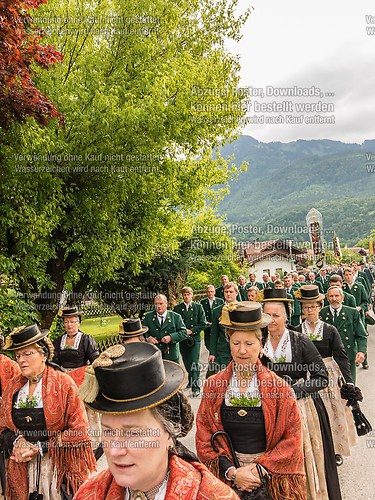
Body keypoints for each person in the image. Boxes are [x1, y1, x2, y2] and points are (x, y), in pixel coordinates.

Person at [75, 342, 238, 499]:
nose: (114, 450)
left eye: (132, 433)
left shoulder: (213, 496)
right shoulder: (88, 493)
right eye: (108, 431)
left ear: (169, 433)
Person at [196, 302, 306, 499]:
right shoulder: (213, 385)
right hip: (227, 479)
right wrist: (232, 472)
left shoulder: (280, 389)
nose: (242, 351)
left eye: (249, 344)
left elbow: (293, 438)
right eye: (236, 343)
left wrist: (259, 470)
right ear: (228, 344)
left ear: (261, 346)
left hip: (268, 479)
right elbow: (204, 434)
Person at [260, 289, 342, 500]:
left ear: (287, 316)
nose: (271, 320)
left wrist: (295, 390)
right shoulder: (258, 342)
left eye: (276, 315)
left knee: (304, 458)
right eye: (267, 315)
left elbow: (321, 376)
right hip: (268, 410)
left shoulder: (300, 340)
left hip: (302, 408)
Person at [0, 324, 96, 499]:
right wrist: (17, 441)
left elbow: (80, 431)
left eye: (28, 354)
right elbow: (2, 427)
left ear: (43, 355)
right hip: (22, 468)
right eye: (18, 355)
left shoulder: (64, 384)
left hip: (56, 470)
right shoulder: (13, 388)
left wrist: (40, 448)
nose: (21, 360)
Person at [294, 285, 357, 464]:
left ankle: (335, 451)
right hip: (306, 376)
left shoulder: (330, 330)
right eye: (306, 307)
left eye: (313, 306)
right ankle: (314, 449)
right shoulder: (297, 331)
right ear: (302, 309)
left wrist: (349, 382)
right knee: (310, 414)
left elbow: (341, 357)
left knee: (331, 413)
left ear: (319, 307)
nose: (309, 310)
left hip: (328, 375)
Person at [321, 286, 367, 383]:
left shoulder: (352, 312)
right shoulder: (322, 313)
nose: (334, 299)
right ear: (327, 298)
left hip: (348, 355)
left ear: (342, 298)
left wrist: (361, 351)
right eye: (331, 296)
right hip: (328, 358)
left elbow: (361, 335)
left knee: (349, 386)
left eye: (337, 296)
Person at [174, 287, 207, 396]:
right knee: (187, 363)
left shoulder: (198, 307)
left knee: (194, 362)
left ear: (192, 295)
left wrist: (191, 331)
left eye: (188, 294)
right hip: (183, 340)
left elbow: (203, 323)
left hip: (195, 339)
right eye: (184, 294)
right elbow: (175, 324)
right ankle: (191, 378)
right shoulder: (177, 308)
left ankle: (195, 387)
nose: (186, 296)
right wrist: (183, 332)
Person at [143, 294, 188, 364]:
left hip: (171, 355)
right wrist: (148, 338)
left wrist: (171, 337)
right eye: (156, 304)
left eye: (161, 303)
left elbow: (184, 333)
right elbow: (143, 332)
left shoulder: (175, 317)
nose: (158, 306)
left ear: (166, 304)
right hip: (154, 355)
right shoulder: (148, 317)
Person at [52, 306, 99, 372]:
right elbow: (55, 361)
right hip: (63, 376)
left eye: (72, 322)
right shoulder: (58, 341)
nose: (69, 325)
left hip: (82, 375)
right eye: (66, 322)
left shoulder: (86, 339)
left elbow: (94, 359)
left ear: (78, 323)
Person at [208, 282, 238, 372]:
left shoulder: (242, 308)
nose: (228, 294)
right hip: (223, 350)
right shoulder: (217, 311)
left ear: (236, 293)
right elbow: (214, 333)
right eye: (226, 291)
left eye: (231, 292)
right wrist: (212, 353)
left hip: (240, 349)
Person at [200, 285, 224, 353]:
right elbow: (202, 313)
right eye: (208, 292)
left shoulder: (220, 301)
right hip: (207, 326)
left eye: (212, 291)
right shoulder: (203, 302)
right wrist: (206, 322)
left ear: (214, 292)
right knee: (208, 344)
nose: (210, 293)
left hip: (217, 324)